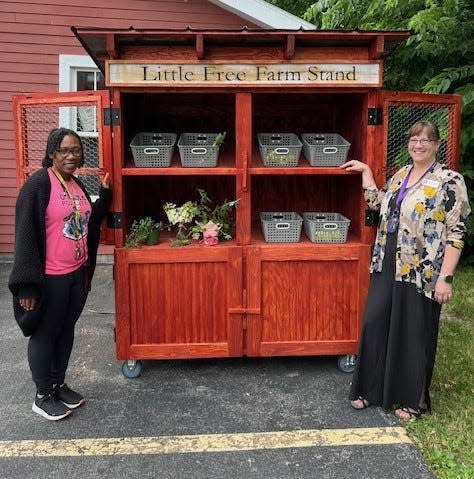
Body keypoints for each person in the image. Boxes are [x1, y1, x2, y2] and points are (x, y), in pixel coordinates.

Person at [341, 120, 471, 420]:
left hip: (422, 269)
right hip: (387, 260)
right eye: (414, 139)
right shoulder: (401, 175)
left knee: (413, 331)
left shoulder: (449, 180)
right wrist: (367, 173)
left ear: (437, 145)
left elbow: (457, 232)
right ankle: (371, 389)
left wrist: (445, 278)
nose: (419, 144)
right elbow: (377, 204)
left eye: (426, 140)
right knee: (375, 321)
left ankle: (411, 399)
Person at [8, 127, 112, 421]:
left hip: (76, 273)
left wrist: (103, 199)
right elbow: (25, 235)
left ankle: (58, 383)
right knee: (45, 333)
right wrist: (26, 284)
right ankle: (42, 395)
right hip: (50, 277)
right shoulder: (39, 185)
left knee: (66, 330)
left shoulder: (76, 184)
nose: (71, 155)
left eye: (76, 150)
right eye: (64, 150)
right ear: (51, 153)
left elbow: (85, 222)